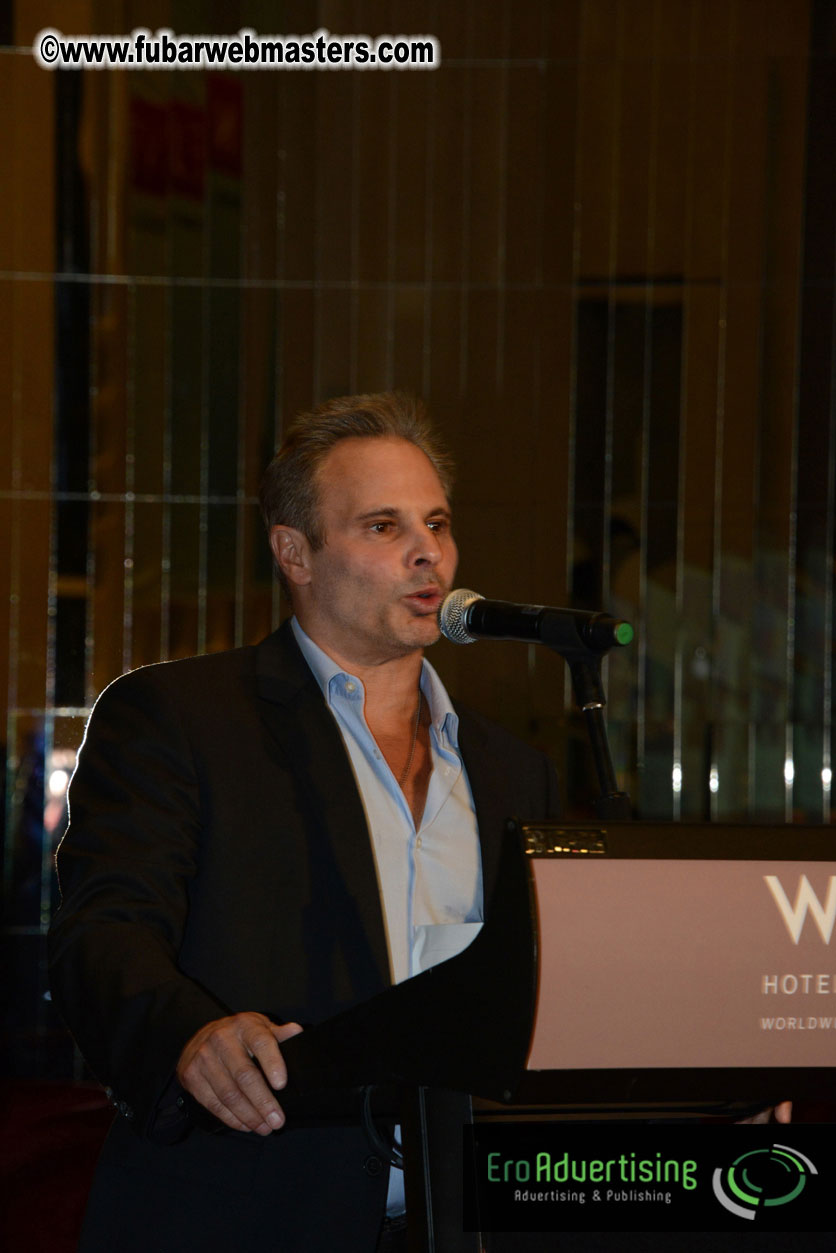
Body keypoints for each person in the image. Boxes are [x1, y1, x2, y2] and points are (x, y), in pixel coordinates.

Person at [48, 392, 561, 1252]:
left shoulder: (515, 769)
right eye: (383, 526)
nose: (428, 552)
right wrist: (188, 1034)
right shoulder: (182, 718)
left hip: (467, 1223)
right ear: (295, 552)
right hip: (250, 1215)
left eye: (437, 523)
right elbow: (103, 931)